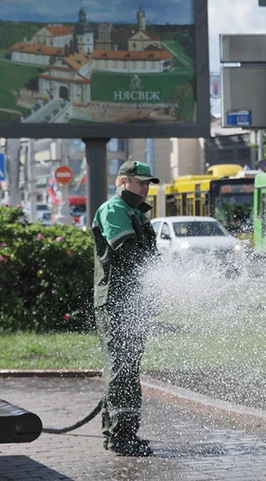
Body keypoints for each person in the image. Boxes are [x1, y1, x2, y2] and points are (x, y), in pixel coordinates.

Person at [92, 160, 160, 457]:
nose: (145, 188)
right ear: (122, 181)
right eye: (140, 182)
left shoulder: (138, 214)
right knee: (121, 367)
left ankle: (122, 433)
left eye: (147, 184)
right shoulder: (114, 210)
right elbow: (128, 251)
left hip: (133, 301)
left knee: (129, 367)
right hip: (115, 301)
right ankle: (120, 437)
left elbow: (151, 259)